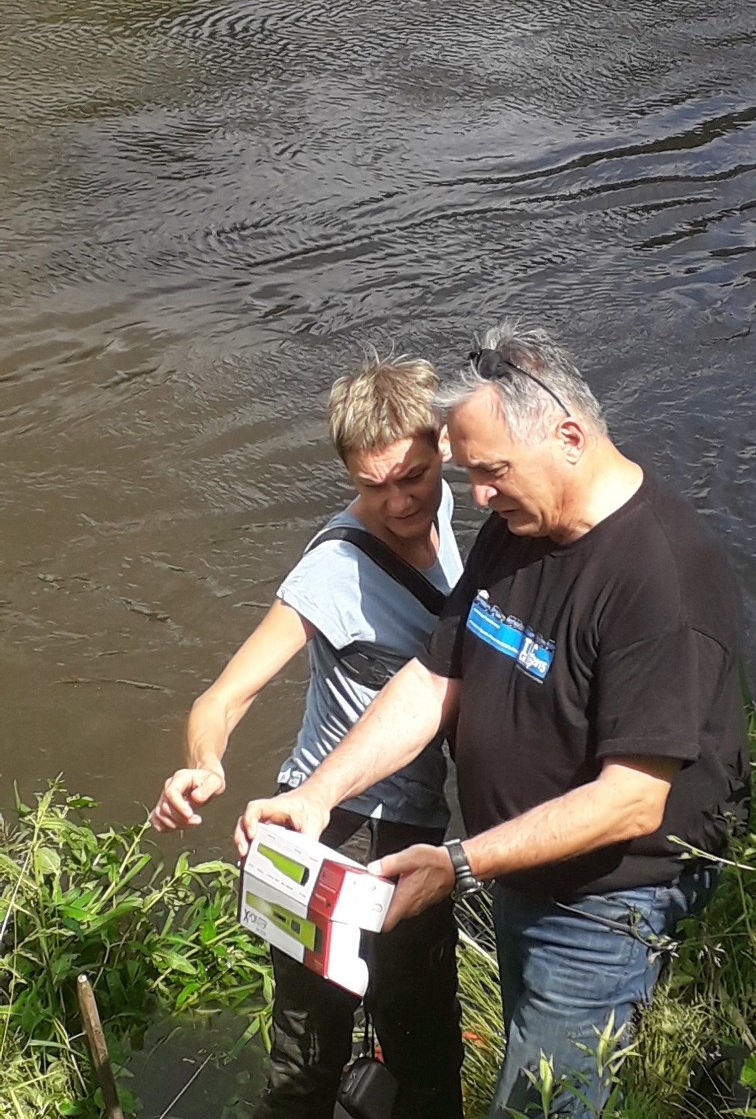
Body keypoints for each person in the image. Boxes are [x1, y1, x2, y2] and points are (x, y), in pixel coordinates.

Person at [235, 325, 751, 1119]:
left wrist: (460, 863)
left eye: (491, 472)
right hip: (519, 875)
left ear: (570, 437)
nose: (475, 497)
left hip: (604, 905)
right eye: (470, 474)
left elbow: (632, 800)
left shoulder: (660, 575)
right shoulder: (518, 532)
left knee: (537, 1106)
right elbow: (433, 677)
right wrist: (318, 793)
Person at [151, 352, 466, 1119]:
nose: (397, 503)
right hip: (328, 831)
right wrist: (205, 765)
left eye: (412, 477)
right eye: (371, 486)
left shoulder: (447, 505)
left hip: (414, 825)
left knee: (426, 1042)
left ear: (444, 450)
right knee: (307, 1058)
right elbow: (222, 697)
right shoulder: (331, 571)